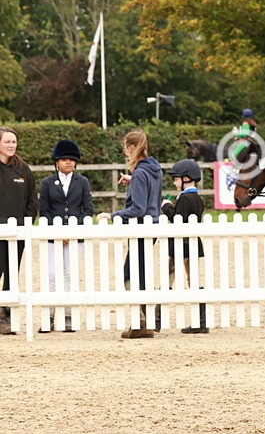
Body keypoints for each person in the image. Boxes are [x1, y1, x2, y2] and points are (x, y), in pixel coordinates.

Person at [98, 130, 163, 339]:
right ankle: (145, 318)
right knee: (141, 272)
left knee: (130, 275)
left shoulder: (141, 173)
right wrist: (133, 178)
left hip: (140, 229)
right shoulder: (154, 169)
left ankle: (141, 320)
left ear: (130, 147)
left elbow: (137, 209)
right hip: (152, 227)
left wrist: (112, 214)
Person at [38, 139, 93, 332]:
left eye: (72, 159)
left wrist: (74, 231)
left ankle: (69, 315)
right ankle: (50, 315)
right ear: (57, 162)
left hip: (75, 236)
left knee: (70, 274)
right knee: (52, 274)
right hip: (53, 236)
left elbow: (88, 209)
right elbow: (44, 210)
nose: (69, 162)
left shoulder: (83, 182)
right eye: (64, 159)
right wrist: (58, 231)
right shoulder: (47, 183)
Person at [161, 159, 208, 334]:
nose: (174, 183)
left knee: (167, 276)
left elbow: (177, 219)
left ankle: (156, 319)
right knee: (194, 279)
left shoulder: (186, 198)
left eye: (176, 179)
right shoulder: (197, 198)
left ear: (186, 178)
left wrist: (166, 207)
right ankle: (201, 321)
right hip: (193, 244)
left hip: (182, 245)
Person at [0, 126, 37, 334]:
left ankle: (7, 315)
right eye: (7, 141)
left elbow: (32, 199)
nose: (11, 145)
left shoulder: (23, 169)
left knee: (12, 274)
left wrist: (26, 222)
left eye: (13, 142)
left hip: (18, 233)